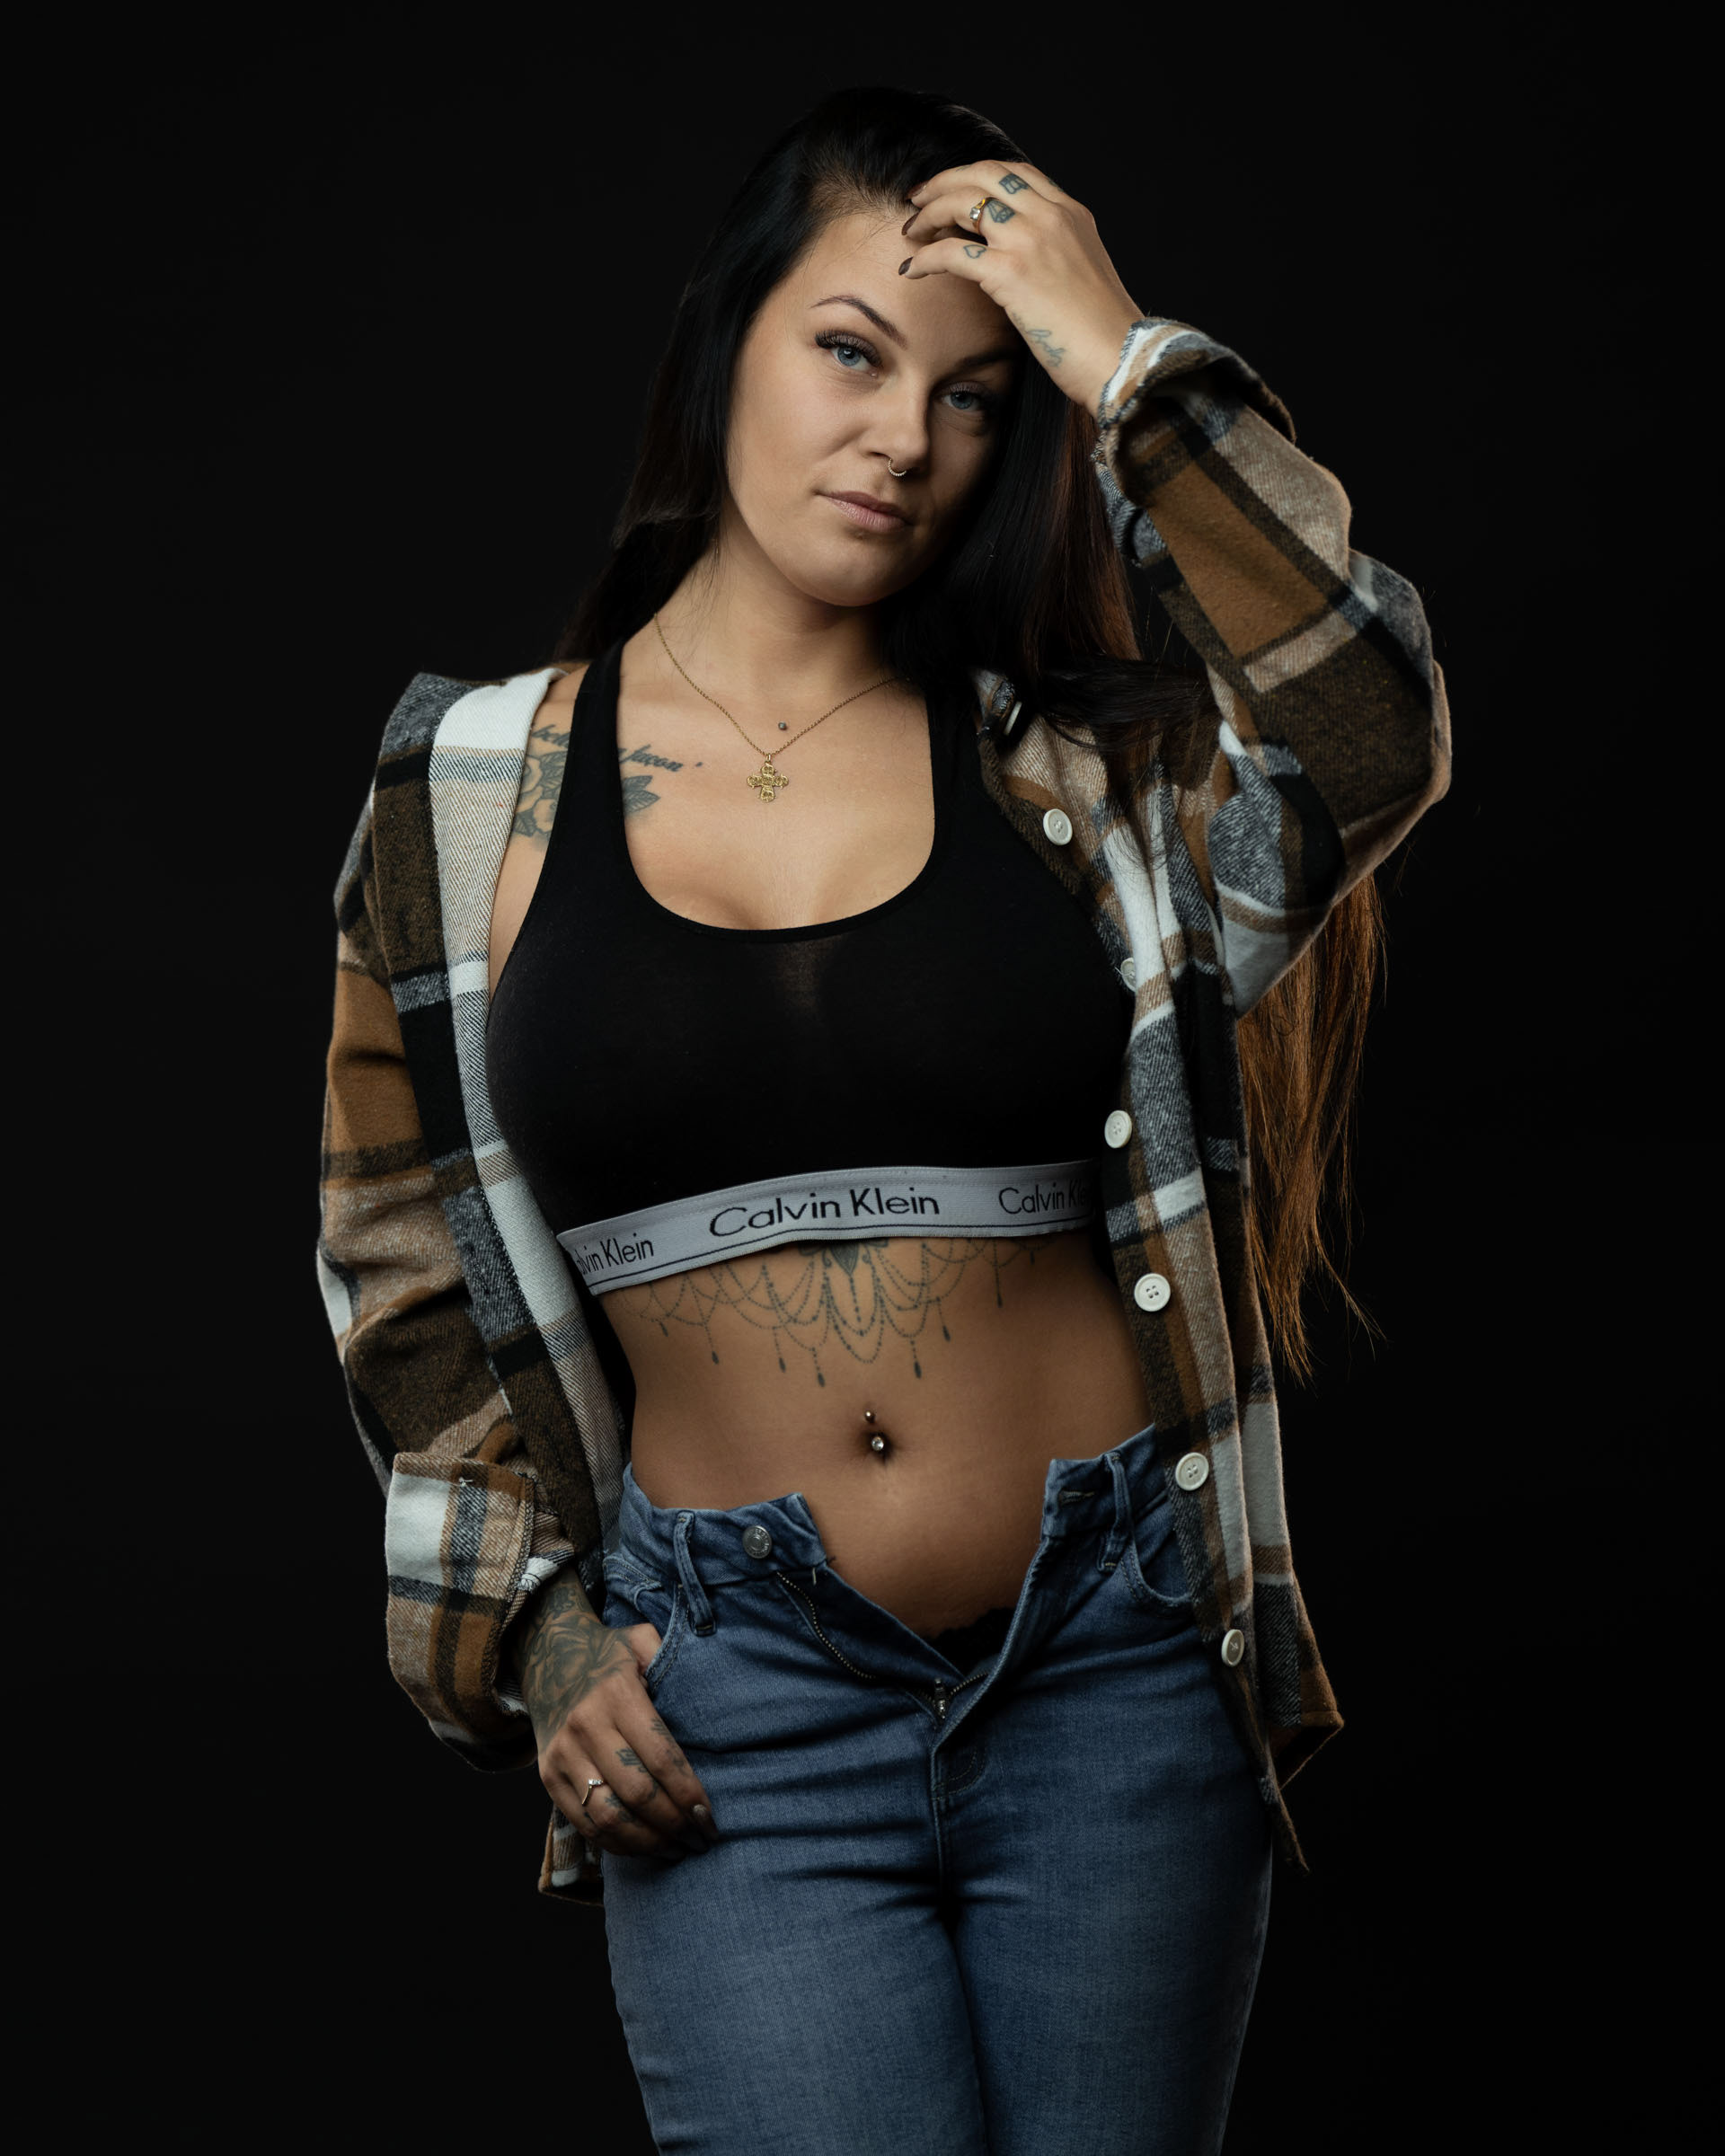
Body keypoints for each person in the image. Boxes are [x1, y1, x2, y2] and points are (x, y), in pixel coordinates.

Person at [317, 84, 1449, 2156]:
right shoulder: (464, 796)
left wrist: (1122, 364)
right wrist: (538, 1634)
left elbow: (1367, 722)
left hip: (1120, 1660)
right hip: (736, 1701)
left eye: (974, 398)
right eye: (849, 351)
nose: (906, 439)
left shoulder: (1082, 782)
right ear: (722, 340)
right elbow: (397, 1260)